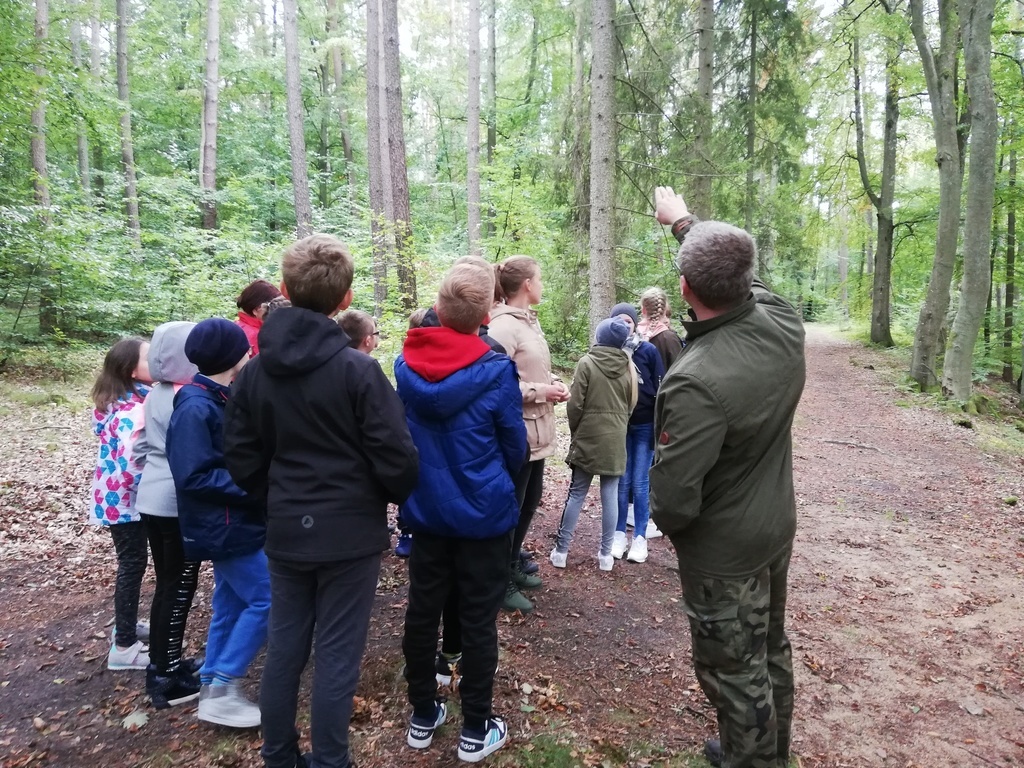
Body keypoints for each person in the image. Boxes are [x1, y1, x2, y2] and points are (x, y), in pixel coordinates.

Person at [224, 234, 419, 768]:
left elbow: (240, 454)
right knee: (335, 652)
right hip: (344, 532)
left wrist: (276, 497)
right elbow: (398, 458)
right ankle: (328, 760)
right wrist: (373, 497)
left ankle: (280, 755)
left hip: (297, 526)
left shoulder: (257, 372)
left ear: (284, 289)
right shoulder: (357, 371)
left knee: (286, 645)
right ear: (346, 298)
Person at [648, 186, 805, 768]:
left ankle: (752, 760)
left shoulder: (696, 381)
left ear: (685, 288)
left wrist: (682, 530)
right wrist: (683, 222)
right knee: (769, 647)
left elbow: (672, 500)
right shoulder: (783, 322)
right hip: (774, 526)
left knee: (734, 670)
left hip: (725, 554)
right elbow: (743, 277)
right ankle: (769, 752)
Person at [396, 260, 527, 763]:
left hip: (427, 510)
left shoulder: (405, 364)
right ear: (487, 312)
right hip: (482, 515)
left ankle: (422, 714)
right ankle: (476, 726)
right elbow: (514, 446)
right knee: (477, 618)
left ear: (438, 305)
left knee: (423, 610)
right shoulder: (495, 370)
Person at [167, 318, 269, 729]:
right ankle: (225, 685)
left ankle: (211, 683)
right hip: (224, 526)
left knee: (230, 603)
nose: (251, 352)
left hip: (232, 522)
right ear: (233, 357)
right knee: (270, 598)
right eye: (245, 348)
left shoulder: (216, 397)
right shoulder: (196, 406)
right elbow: (193, 476)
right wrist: (256, 485)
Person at [487, 255, 570, 613]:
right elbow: (494, 381)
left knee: (529, 502)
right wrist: (540, 391)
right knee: (511, 509)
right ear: (526, 285)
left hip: (537, 433)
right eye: (540, 278)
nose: (542, 284)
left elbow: (529, 370)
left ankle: (510, 565)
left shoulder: (527, 322)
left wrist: (553, 382)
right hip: (517, 434)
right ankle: (497, 581)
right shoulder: (503, 327)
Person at [135, 322, 203, 709]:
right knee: (179, 586)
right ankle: (166, 676)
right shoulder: (183, 395)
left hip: (151, 496)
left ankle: (164, 663)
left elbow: (143, 445)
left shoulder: (154, 393)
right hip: (173, 501)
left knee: (167, 584)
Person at [549, 318, 636, 572]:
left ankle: (561, 552)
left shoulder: (587, 362)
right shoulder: (629, 366)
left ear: (599, 338)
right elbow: (631, 404)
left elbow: (575, 405)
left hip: (588, 435)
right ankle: (606, 556)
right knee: (610, 495)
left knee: (577, 492)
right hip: (616, 437)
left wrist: (577, 431)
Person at [91, 338, 153, 671]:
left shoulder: (119, 402)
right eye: (149, 357)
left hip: (113, 498)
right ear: (131, 371)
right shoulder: (133, 411)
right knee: (132, 564)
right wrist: (153, 492)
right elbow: (133, 465)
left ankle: (125, 627)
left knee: (131, 563)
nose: (156, 360)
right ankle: (124, 647)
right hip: (127, 502)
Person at [607, 303, 664, 564]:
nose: (624, 325)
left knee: (640, 483)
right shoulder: (609, 352)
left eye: (628, 321)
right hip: (619, 425)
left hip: (644, 425)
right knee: (622, 482)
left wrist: (660, 425)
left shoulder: (648, 350)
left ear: (635, 324)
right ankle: (618, 534)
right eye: (619, 321)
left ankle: (640, 537)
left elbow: (662, 387)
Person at [638, 286, 684, 371]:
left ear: (643, 310)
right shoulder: (670, 338)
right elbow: (680, 371)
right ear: (665, 310)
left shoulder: (631, 334)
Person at [235, 279, 283, 357]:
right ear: (257, 310)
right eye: (271, 307)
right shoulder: (257, 336)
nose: (274, 310)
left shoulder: (238, 325)